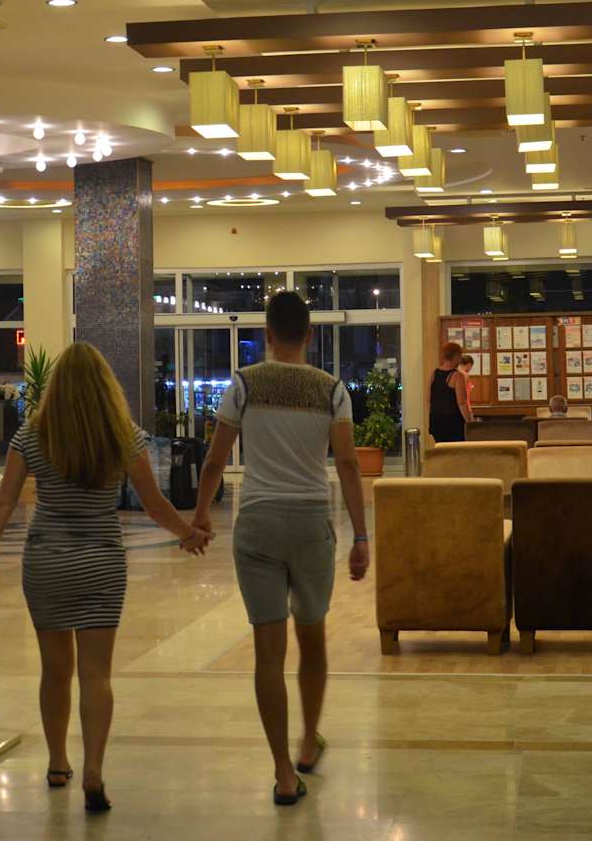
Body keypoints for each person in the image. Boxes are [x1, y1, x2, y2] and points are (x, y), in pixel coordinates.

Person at [0, 343, 210, 814]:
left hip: (48, 562)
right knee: (96, 675)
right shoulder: (123, 436)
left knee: (55, 670)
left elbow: (3, 502)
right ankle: (94, 771)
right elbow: (154, 503)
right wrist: (188, 534)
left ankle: (58, 762)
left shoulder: (32, 435)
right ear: (106, 387)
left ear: (56, 386)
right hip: (101, 562)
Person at [194, 291, 369, 807]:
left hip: (258, 526)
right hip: (311, 524)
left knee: (268, 654)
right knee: (312, 639)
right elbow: (348, 464)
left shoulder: (244, 385)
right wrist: (361, 537)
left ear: (268, 335)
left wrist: (200, 515)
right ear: (309, 335)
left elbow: (214, 460)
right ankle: (308, 742)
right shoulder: (331, 390)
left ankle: (283, 773)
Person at [428, 340, 474, 442]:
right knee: (456, 449)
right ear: (456, 356)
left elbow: (429, 399)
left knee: (441, 448)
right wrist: (469, 422)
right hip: (452, 422)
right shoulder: (457, 376)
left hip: (436, 420)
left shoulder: (434, 373)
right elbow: (461, 402)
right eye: (460, 356)